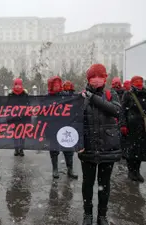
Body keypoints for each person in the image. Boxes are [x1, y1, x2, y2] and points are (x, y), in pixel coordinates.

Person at [79, 64, 122, 225]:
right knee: (88, 184)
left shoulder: (112, 95)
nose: (96, 80)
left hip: (107, 147)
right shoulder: (80, 96)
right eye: (92, 77)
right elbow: (74, 120)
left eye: (99, 77)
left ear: (105, 78)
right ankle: (87, 214)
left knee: (104, 185)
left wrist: (93, 98)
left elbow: (116, 111)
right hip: (88, 146)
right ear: (88, 79)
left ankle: (102, 216)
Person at [47, 76, 78, 179]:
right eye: (54, 85)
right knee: (54, 150)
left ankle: (70, 169)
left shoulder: (66, 96)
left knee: (68, 149)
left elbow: (73, 106)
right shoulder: (47, 98)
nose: (57, 86)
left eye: (58, 84)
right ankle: (55, 169)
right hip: (52, 127)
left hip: (65, 127)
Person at [121, 75, 146, 183]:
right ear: (132, 83)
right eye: (136, 82)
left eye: (140, 81)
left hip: (142, 127)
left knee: (140, 150)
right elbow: (122, 111)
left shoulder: (145, 93)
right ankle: (131, 171)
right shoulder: (128, 94)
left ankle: (137, 171)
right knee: (131, 150)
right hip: (130, 128)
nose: (139, 84)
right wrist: (123, 124)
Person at [8, 78, 29, 157]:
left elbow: (28, 106)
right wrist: (9, 118)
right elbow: (8, 106)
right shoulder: (11, 95)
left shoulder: (25, 94)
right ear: (14, 85)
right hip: (14, 118)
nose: (17, 87)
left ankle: (21, 149)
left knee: (22, 134)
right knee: (16, 134)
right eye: (16, 85)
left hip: (23, 118)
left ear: (21, 85)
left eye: (19, 85)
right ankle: (16, 149)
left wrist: (27, 117)